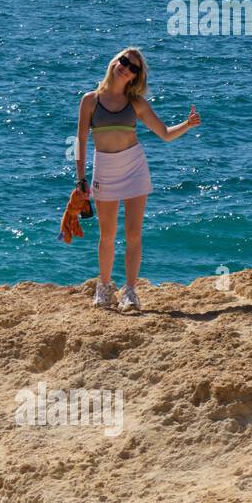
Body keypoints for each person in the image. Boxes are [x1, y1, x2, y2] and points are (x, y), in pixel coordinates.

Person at [75, 48, 201, 311]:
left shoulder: (137, 103)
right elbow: (81, 141)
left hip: (134, 167)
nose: (127, 69)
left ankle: (130, 292)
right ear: (114, 62)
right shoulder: (90, 100)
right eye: (124, 62)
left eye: (134, 68)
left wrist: (187, 124)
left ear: (135, 77)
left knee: (133, 234)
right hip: (105, 169)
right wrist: (80, 178)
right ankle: (105, 287)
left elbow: (164, 134)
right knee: (106, 235)